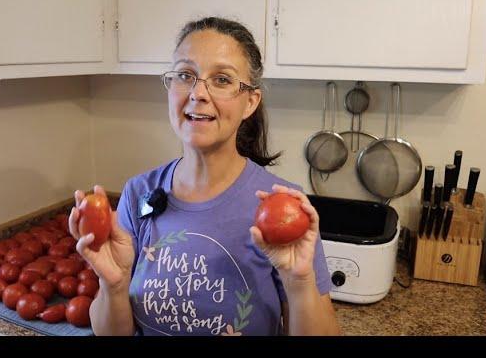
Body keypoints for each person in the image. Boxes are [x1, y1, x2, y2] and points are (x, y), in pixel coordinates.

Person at [69, 17, 341, 336]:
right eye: (185, 75)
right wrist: (113, 285)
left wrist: (299, 283)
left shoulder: (283, 208)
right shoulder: (138, 192)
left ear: (250, 102)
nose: (198, 93)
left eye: (222, 80)